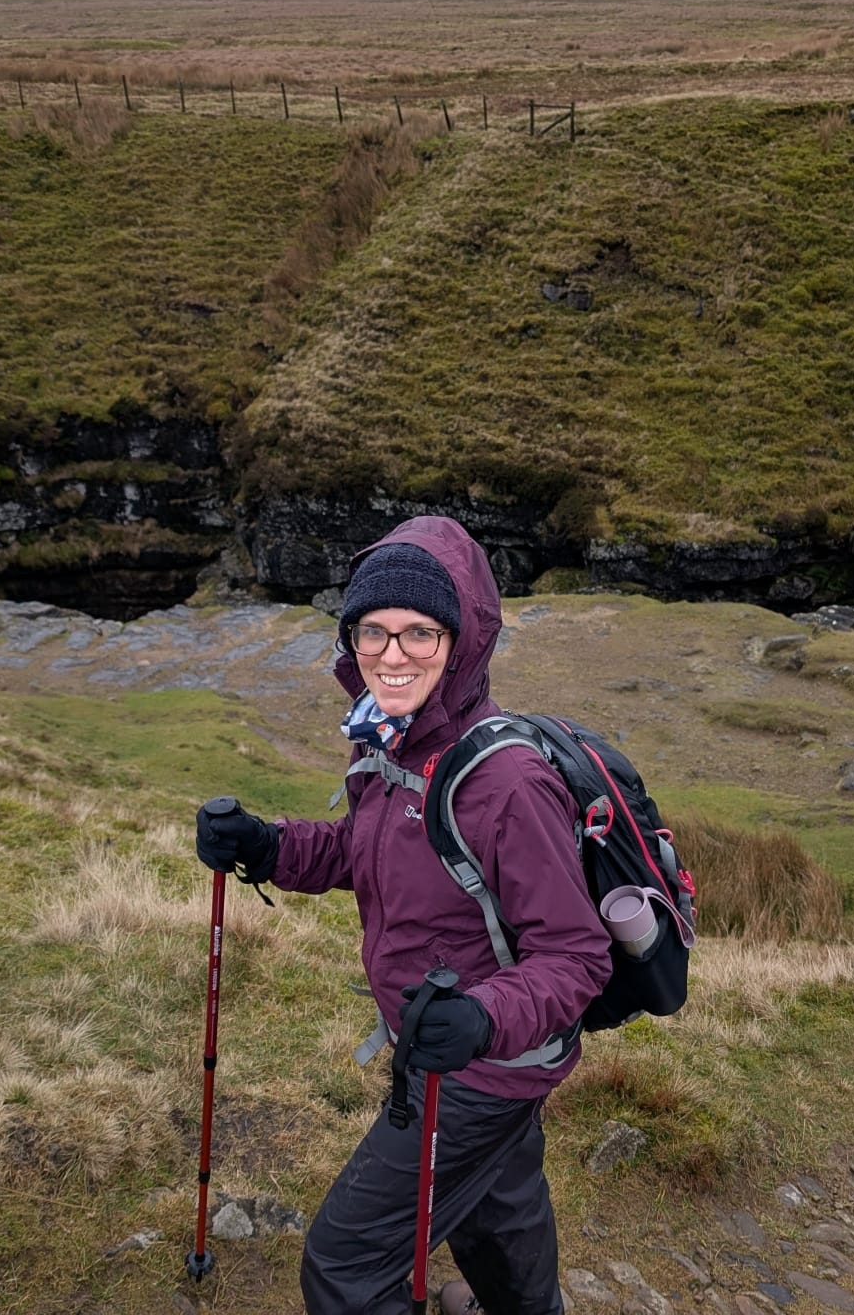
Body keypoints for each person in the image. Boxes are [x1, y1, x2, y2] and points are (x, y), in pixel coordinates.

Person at [197, 516, 611, 1315]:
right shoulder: (387, 742)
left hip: (479, 1069)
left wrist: (481, 1021)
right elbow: (369, 853)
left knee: (346, 1269)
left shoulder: (509, 785)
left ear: (463, 642)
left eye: (420, 632)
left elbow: (577, 957)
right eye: (373, 632)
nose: (393, 654)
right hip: (473, 1055)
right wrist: (267, 846)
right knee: (494, 1216)